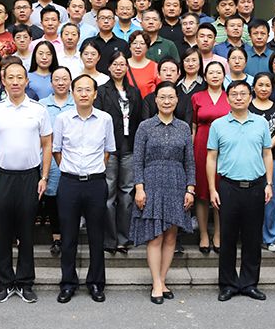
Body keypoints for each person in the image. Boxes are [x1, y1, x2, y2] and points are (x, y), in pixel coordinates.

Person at [0, 62, 53, 303]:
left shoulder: (38, 110)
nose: (15, 82)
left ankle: (25, 282)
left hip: (29, 177)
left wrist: (44, 177)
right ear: (3, 81)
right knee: (3, 233)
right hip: (2, 176)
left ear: (26, 81)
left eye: (19, 77)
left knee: (26, 232)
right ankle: (4, 282)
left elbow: (47, 145)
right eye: (10, 77)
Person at [207, 80, 273, 302]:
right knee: (227, 237)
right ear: (227, 98)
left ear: (250, 97)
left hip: (255, 186)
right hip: (228, 187)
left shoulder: (261, 122)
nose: (238, 97)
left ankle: (249, 283)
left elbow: (267, 153)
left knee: (253, 238)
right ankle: (227, 284)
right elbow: (211, 157)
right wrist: (212, 188)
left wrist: (269, 183)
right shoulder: (218, 125)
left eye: (243, 93)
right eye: (234, 94)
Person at [132, 82, 196, 303]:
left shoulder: (184, 128)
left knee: (171, 236)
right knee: (155, 236)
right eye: (162, 97)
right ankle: (157, 283)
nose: (167, 101)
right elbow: (137, 160)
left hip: (177, 182)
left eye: (171, 97)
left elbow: (190, 161)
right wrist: (139, 188)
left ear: (177, 100)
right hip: (151, 183)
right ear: (156, 100)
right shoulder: (145, 127)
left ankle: (161, 280)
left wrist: (190, 188)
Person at [54, 73, 115, 304]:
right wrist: (70, 170)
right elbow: (57, 150)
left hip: (95, 183)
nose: (83, 94)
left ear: (95, 94)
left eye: (88, 89)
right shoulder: (62, 119)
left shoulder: (105, 119)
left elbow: (107, 151)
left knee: (96, 236)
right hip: (69, 183)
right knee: (68, 236)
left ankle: (96, 283)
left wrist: (93, 170)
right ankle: (68, 283)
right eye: (79, 89)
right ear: (72, 93)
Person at [96, 51, 143, 254]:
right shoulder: (102, 91)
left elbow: (140, 120)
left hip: (129, 147)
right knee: (108, 194)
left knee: (127, 194)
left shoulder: (134, 92)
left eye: (122, 64)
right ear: (108, 67)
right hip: (109, 148)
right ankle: (109, 239)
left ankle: (124, 238)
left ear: (127, 67)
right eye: (115, 64)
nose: (118, 68)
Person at [191, 61, 230, 253]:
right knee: (202, 191)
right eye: (211, 73)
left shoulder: (230, 96)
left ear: (224, 76)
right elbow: (193, 126)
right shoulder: (197, 97)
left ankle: (219, 234)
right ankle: (204, 234)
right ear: (205, 77)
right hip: (202, 145)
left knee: (222, 189)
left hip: (226, 147)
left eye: (218, 72)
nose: (215, 76)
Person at [39, 66, 76, 257]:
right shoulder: (42, 105)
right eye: (56, 79)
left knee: (70, 200)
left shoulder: (77, 102)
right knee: (52, 198)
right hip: (49, 160)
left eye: (65, 79)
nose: (61, 83)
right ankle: (56, 238)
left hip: (73, 159)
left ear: (70, 81)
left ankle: (70, 236)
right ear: (51, 82)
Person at [249, 72, 275, 253]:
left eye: (267, 85)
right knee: (251, 198)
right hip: (251, 159)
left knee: (270, 199)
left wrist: (267, 145)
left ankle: (270, 237)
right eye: (260, 85)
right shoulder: (248, 106)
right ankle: (252, 236)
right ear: (254, 87)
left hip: (273, 157)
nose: (264, 88)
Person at [142, 57, 193, 124]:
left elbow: (187, 125)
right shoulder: (149, 99)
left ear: (178, 75)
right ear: (158, 74)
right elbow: (145, 125)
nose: (168, 73)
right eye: (164, 70)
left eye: (173, 70)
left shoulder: (186, 99)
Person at [81, 8, 130, 74]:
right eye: (102, 18)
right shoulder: (88, 42)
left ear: (114, 21)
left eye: (109, 18)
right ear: (97, 21)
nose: (106, 21)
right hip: (92, 78)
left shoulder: (123, 44)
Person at [126, 30, 159, 98]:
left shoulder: (155, 67)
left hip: (147, 104)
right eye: (134, 43)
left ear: (147, 47)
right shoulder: (122, 65)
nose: (138, 46)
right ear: (130, 46)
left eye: (142, 43)